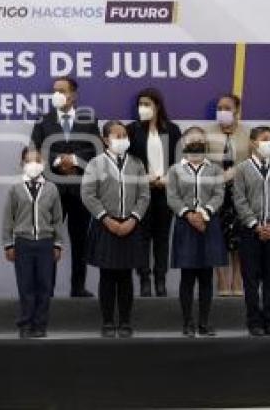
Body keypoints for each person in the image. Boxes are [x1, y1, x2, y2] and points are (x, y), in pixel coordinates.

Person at [30, 76, 101, 297]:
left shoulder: (88, 120)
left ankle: (78, 287)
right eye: (55, 90)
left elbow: (95, 149)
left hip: (81, 190)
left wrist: (76, 160)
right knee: (49, 239)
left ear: (73, 95)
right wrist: (60, 161)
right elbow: (36, 150)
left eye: (62, 90)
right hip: (53, 190)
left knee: (80, 241)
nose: (57, 94)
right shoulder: (43, 121)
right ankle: (46, 288)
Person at [81, 120, 149, 338]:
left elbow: (144, 195)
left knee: (126, 277)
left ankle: (126, 321)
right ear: (105, 139)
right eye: (117, 136)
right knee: (108, 276)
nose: (122, 139)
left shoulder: (137, 164)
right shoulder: (95, 164)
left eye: (125, 135)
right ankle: (108, 321)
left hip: (130, 224)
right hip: (106, 225)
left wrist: (133, 219)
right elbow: (88, 195)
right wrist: (106, 219)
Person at [166, 127, 226, 337]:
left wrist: (204, 213)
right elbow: (172, 197)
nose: (195, 142)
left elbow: (219, 195)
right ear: (183, 143)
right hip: (185, 225)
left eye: (199, 139)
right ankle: (187, 322)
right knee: (187, 277)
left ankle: (204, 322)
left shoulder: (216, 169)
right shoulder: (175, 170)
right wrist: (189, 215)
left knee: (206, 277)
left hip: (209, 224)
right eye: (191, 140)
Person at [233, 126, 270, 336]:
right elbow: (239, 200)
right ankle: (254, 321)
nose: (269, 143)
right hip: (251, 231)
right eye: (264, 139)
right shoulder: (242, 169)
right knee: (250, 279)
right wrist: (254, 224)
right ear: (253, 143)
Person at [2, 147, 64, 338]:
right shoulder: (15, 189)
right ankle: (25, 324)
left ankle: (40, 325)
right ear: (22, 165)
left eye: (37, 160)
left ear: (43, 163)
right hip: (23, 243)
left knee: (44, 286)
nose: (33, 165)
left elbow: (57, 219)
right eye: (29, 161)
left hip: (45, 243)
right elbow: (8, 219)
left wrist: (57, 243)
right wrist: (8, 244)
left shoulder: (52, 188)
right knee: (26, 286)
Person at [126, 87, 181, 297]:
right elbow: (128, 162)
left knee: (162, 237)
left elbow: (179, 162)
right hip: (141, 192)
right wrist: (143, 179)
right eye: (140, 104)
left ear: (157, 106)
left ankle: (160, 279)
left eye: (147, 104)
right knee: (141, 237)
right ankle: (144, 280)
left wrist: (167, 179)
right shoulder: (131, 130)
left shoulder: (172, 130)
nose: (143, 108)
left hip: (165, 192)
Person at [206, 94, 249, 297]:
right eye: (219, 107)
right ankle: (222, 279)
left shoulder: (247, 134)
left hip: (239, 192)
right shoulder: (208, 133)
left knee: (238, 237)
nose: (222, 111)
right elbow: (201, 162)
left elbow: (252, 162)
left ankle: (237, 279)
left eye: (226, 107)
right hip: (215, 191)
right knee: (217, 235)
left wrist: (236, 172)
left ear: (237, 110)